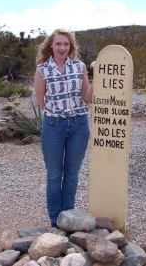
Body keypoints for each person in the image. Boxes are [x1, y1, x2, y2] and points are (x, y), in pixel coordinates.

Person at [34, 28, 93, 227]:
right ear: (51, 45)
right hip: (54, 126)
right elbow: (41, 102)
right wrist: (57, 115)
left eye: (66, 44)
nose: (62, 47)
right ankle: (54, 220)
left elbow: (87, 98)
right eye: (58, 43)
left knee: (72, 174)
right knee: (53, 175)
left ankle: (67, 218)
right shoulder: (43, 69)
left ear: (71, 47)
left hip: (79, 125)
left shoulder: (79, 66)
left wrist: (98, 74)